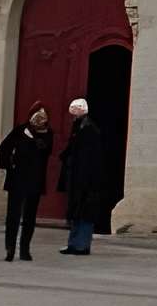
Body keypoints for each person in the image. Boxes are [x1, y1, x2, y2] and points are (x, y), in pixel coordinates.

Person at [57, 97, 119, 255]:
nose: (73, 116)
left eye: (75, 112)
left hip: (87, 181)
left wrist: (87, 179)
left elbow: (90, 158)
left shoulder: (89, 130)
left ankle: (81, 245)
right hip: (78, 178)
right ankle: (73, 243)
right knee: (76, 212)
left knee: (85, 212)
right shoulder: (79, 128)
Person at [0, 104, 52, 263]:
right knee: (13, 216)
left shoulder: (48, 134)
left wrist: (38, 139)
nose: (40, 119)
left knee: (29, 217)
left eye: (43, 117)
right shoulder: (20, 131)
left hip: (35, 180)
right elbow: (3, 149)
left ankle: (25, 249)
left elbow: (47, 151)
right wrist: (8, 165)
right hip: (17, 179)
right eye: (37, 116)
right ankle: (10, 248)